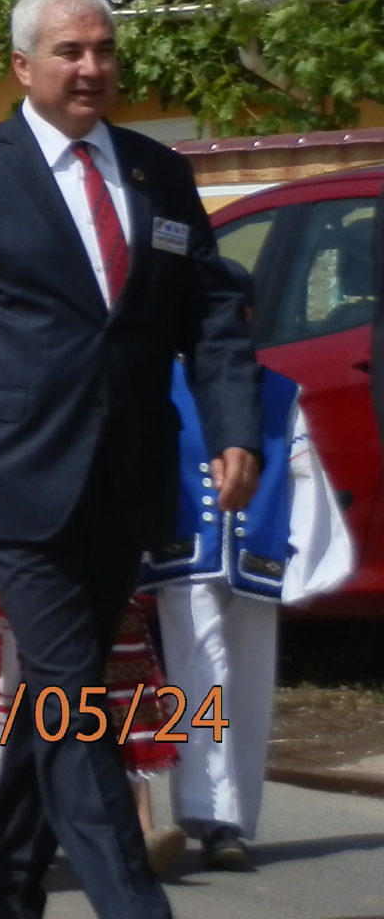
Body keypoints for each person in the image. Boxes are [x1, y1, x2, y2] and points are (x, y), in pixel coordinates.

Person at [0, 0, 260, 919]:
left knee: (64, 697)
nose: (92, 68)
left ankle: (5, 892)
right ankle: (135, 904)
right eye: (70, 52)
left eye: (103, 51)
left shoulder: (156, 173)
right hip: (17, 476)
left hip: (127, 474)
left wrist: (234, 428)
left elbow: (211, 311)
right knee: (71, 692)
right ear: (23, 66)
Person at [139, 323, 356, 864]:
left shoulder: (278, 393)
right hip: (184, 551)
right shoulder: (157, 381)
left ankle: (232, 813)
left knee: (249, 682)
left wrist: (304, 556)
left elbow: (303, 476)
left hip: (256, 554)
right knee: (201, 673)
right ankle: (213, 815)